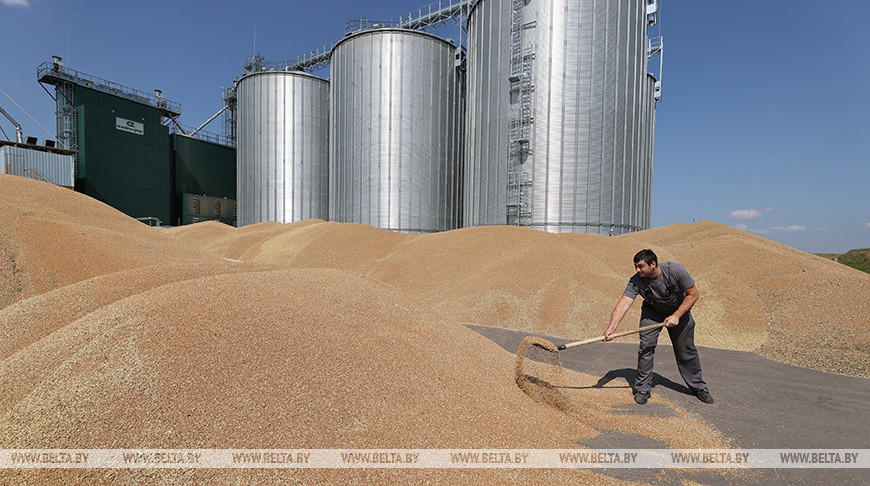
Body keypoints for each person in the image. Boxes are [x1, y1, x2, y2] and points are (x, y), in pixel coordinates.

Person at [604, 249, 714, 405]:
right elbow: (623, 305)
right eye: (635, 266)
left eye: (640, 266)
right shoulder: (636, 280)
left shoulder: (675, 271)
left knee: (686, 350)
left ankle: (698, 387)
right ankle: (642, 388)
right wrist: (611, 329)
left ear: (653, 264)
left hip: (679, 311)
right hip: (652, 313)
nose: (637, 270)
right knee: (646, 346)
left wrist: (676, 315)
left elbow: (693, 294)